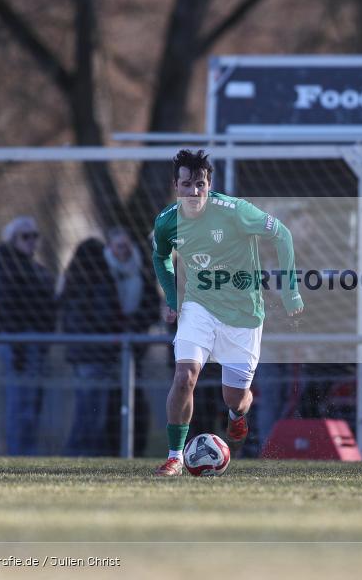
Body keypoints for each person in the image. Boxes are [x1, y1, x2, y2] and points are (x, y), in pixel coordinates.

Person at [151, 149, 303, 476]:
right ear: (176, 186)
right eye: (187, 184)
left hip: (243, 314)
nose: (194, 192)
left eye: (200, 184)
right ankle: (175, 456)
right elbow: (161, 258)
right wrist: (174, 298)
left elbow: (282, 234)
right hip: (198, 307)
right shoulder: (166, 221)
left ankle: (237, 416)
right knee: (184, 377)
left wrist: (291, 291)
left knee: (234, 397)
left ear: (209, 184)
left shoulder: (234, 211)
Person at [0, 216, 56, 455]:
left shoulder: (37, 269)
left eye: (34, 236)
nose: (31, 241)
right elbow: (8, 306)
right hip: (17, 342)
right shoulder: (8, 267)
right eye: (25, 236)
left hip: (36, 341)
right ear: (13, 239)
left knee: (33, 402)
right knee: (19, 402)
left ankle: (27, 451)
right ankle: (17, 452)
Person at [61, 238, 124, 457]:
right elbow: (104, 317)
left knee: (87, 407)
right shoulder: (100, 283)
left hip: (83, 354)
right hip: (96, 354)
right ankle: (79, 451)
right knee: (91, 410)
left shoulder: (73, 282)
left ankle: (82, 450)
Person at [102, 226, 161, 456]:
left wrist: (135, 326)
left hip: (135, 347)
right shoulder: (103, 272)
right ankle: (110, 449)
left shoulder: (142, 273)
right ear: (110, 248)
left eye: (127, 246)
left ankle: (135, 448)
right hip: (109, 348)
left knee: (135, 397)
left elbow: (150, 308)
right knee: (110, 399)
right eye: (119, 247)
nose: (124, 251)